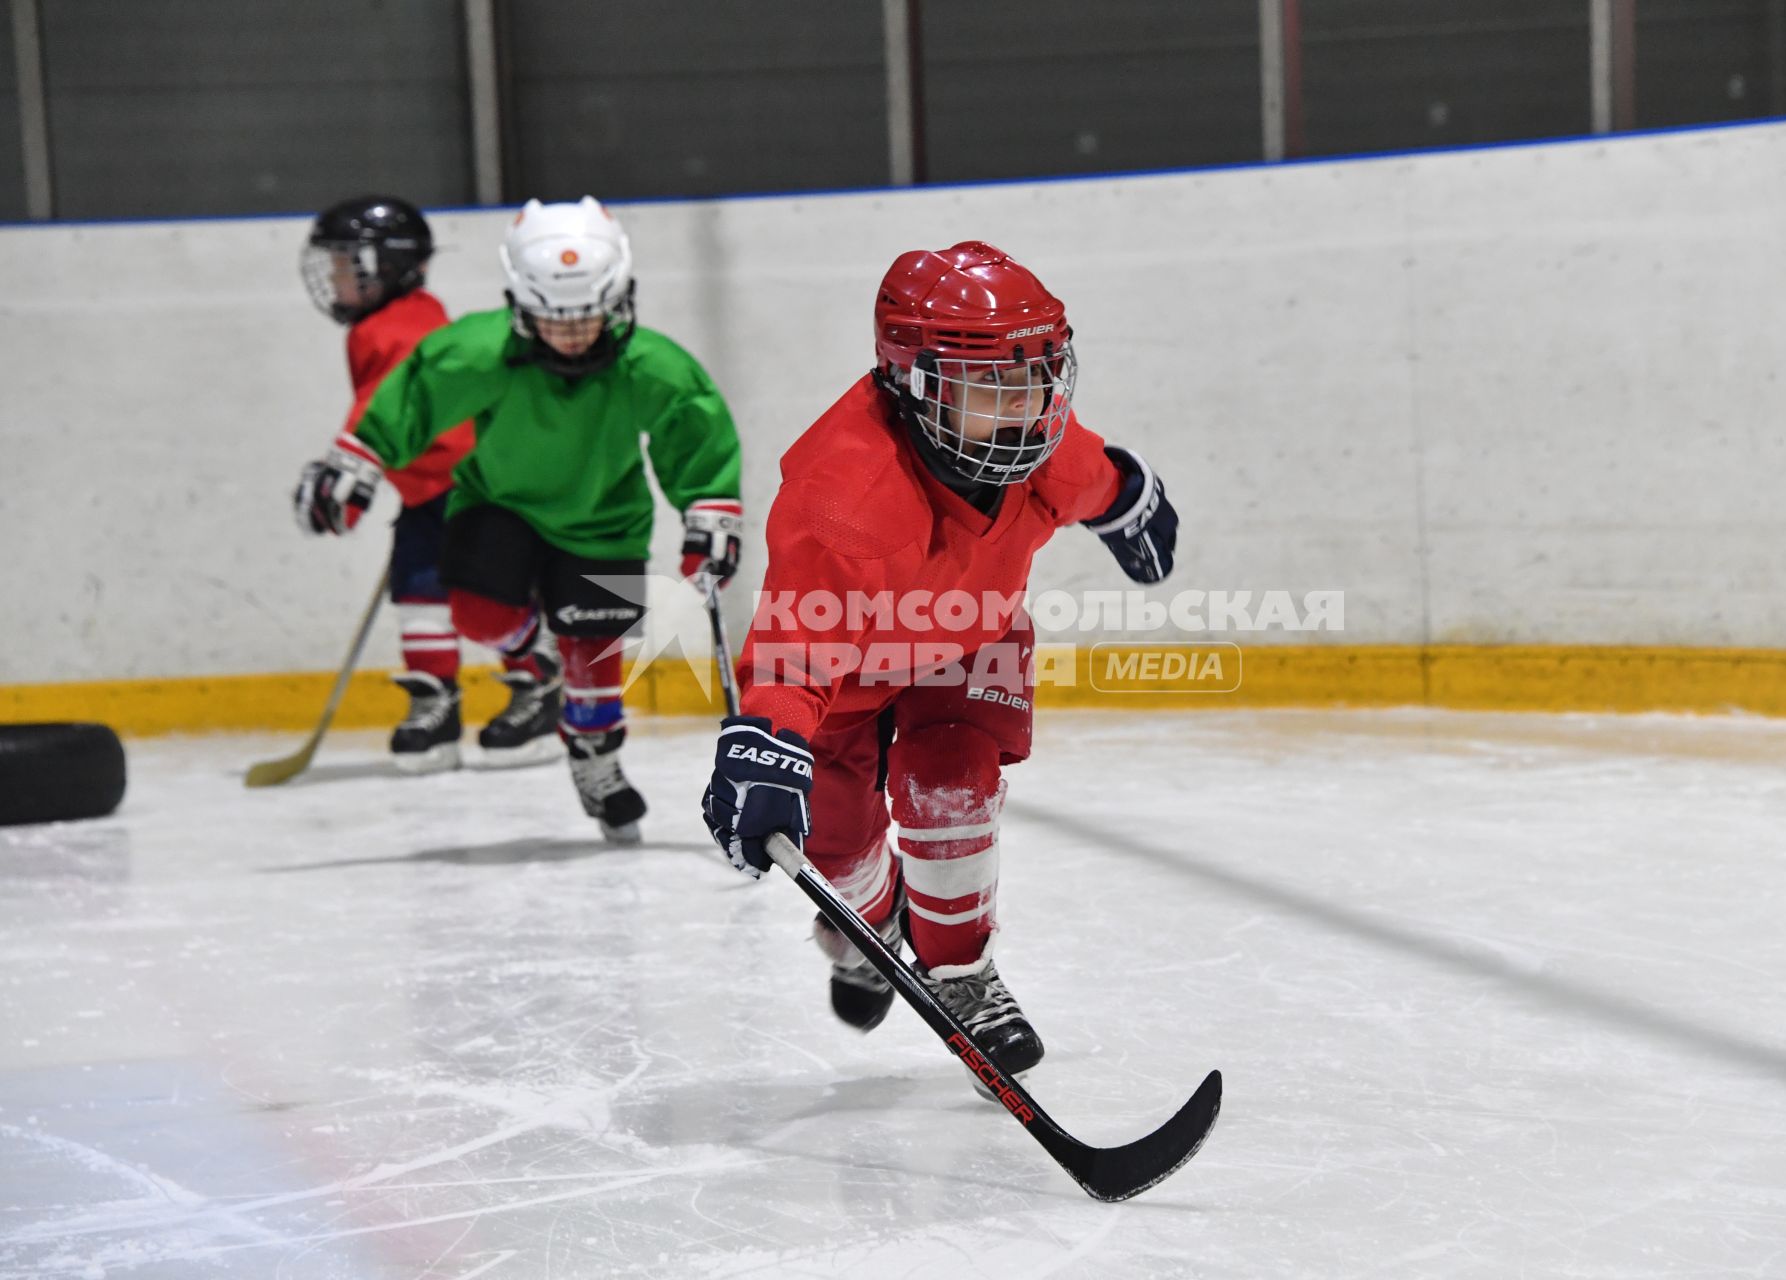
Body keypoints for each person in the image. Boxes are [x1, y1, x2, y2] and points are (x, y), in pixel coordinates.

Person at [701, 242, 1178, 1077]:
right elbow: (800, 648)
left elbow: (1093, 475)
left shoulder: (1040, 447)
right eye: (989, 385)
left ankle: (961, 971)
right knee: (841, 841)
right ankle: (871, 924)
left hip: (968, 642)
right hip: (842, 682)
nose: (1025, 407)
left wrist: (1127, 499)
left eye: (1035, 377)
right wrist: (768, 742)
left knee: (952, 781)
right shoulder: (845, 493)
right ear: (911, 382)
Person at [300, 196, 746, 842]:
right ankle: (538, 651)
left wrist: (711, 510)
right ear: (520, 303)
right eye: (551, 318)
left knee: (593, 646)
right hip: (499, 505)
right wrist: (358, 461)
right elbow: (415, 395)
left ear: (620, 297)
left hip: (603, 520)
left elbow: (694, 434)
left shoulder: (652, 366)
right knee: (476, 613)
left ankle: (597, 760)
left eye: (587, 316)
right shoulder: (479, 350)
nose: (571, 333)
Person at [293, 195, 562, 774]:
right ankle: (436, 708)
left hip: (472, 488)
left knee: (483, 599)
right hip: (429, 491)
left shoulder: (404, 327)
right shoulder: (385, 322)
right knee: (419, 595)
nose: (335, 278)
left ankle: (540, 680)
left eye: (346, 264)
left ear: (385, 266)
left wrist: (350, 465)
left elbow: (391, 400)